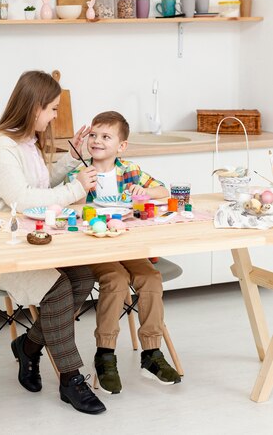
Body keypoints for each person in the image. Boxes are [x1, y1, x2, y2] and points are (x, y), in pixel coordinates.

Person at [0, 70, 105, 414]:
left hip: (31, 240)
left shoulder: (27, 143)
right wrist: (78, 188)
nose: (55, 116)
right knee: (60, 288)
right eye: (52, 109)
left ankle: (29, 348)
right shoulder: (3, 146)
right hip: (0, 248)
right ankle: (70, 379)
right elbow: (24, 199)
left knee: (83, 276)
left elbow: (41, 185)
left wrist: (72, 155)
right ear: (34, 108)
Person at [67, 110, 181, 394]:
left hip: (127, 243)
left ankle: (152, 354)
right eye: (93, 135)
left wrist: (142, 193)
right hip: (95, 246)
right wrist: (81, 189)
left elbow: (163, 190)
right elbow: (70, 209)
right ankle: (105, 354)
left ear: (121, 146)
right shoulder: (78, 172)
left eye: (106, 136)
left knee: (151, 278)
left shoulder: (129, 170)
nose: (97, 141)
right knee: (116, 282)